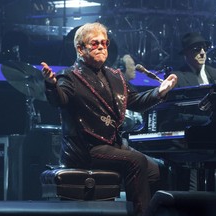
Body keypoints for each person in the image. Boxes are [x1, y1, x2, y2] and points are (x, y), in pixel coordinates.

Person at [40, 22, 177, 216]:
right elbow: (59, 99)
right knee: (135, 160)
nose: (101, 47)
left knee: (159, 170)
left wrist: (159, 92)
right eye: (94, 43)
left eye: (104, 43)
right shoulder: (69, 76)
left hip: (111, 146)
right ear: (80, 48)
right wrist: (51, 85)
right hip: (85, 149)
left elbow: (135, 101)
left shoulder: (115, 76)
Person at [171, 32, 216, 191]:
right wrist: (204, 121)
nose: (202, 52)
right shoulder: (177, 76)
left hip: (215, 138)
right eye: (196, 49)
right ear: (186, 53)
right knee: (193, 187)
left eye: (204, 48)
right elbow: (176, 114)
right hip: (190, 140)